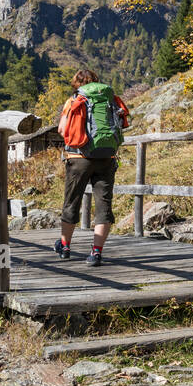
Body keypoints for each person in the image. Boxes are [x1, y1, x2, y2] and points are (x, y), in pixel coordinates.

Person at [55, 70, 129, 267]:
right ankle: (96, 253)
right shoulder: (110, 98)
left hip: (79, 158)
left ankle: (65, 247)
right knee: (104, 204)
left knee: (72, 202)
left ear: (77, 83)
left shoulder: (75, 99)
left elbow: (62, 130)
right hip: (106, 156)